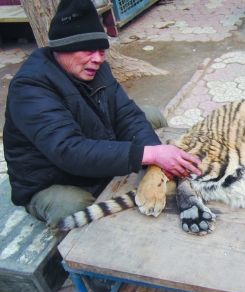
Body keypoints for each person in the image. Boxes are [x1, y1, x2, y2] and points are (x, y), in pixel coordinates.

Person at [3, 0, 201, 229]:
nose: (98, 58)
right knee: (75, 208)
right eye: (88, 50)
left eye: (101, 50)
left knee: (151, 116)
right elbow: (69, 151)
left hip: (92, 142)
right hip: (51, 178)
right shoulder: (30, 88)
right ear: (62, 48)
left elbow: (127, 114)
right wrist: (147, 154)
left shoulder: (96, 68)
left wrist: (155, 162)